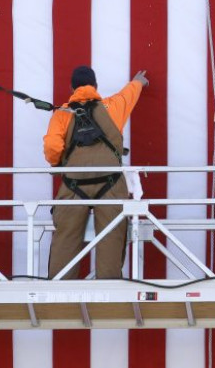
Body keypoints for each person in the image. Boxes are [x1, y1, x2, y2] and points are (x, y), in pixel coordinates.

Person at [44, 65, 148, 279]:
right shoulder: (114, 106)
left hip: (73, 186)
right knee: (111, 239)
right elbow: (130, 92)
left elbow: (52, 148)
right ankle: (107, 297)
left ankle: (58, 294)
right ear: (96, 86)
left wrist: (57, 164)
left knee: (65, 240)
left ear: (72, 87)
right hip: (110, 185)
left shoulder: (61, 114)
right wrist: (139, 81)